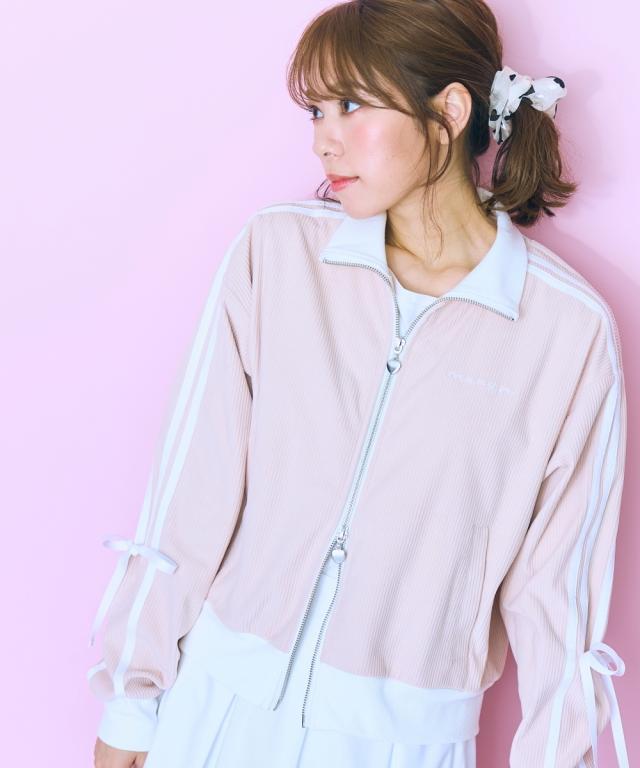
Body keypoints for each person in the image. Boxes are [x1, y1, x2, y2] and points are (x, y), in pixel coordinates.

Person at [89, 1, 630, 766]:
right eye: (316, 110)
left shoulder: (566, 333)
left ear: (449, 112)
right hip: (214, 710)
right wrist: (130, 705)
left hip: (403, 743)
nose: (323, 138)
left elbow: (558, 604)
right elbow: (188, 493)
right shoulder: (278, 256)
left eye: (350, 105)